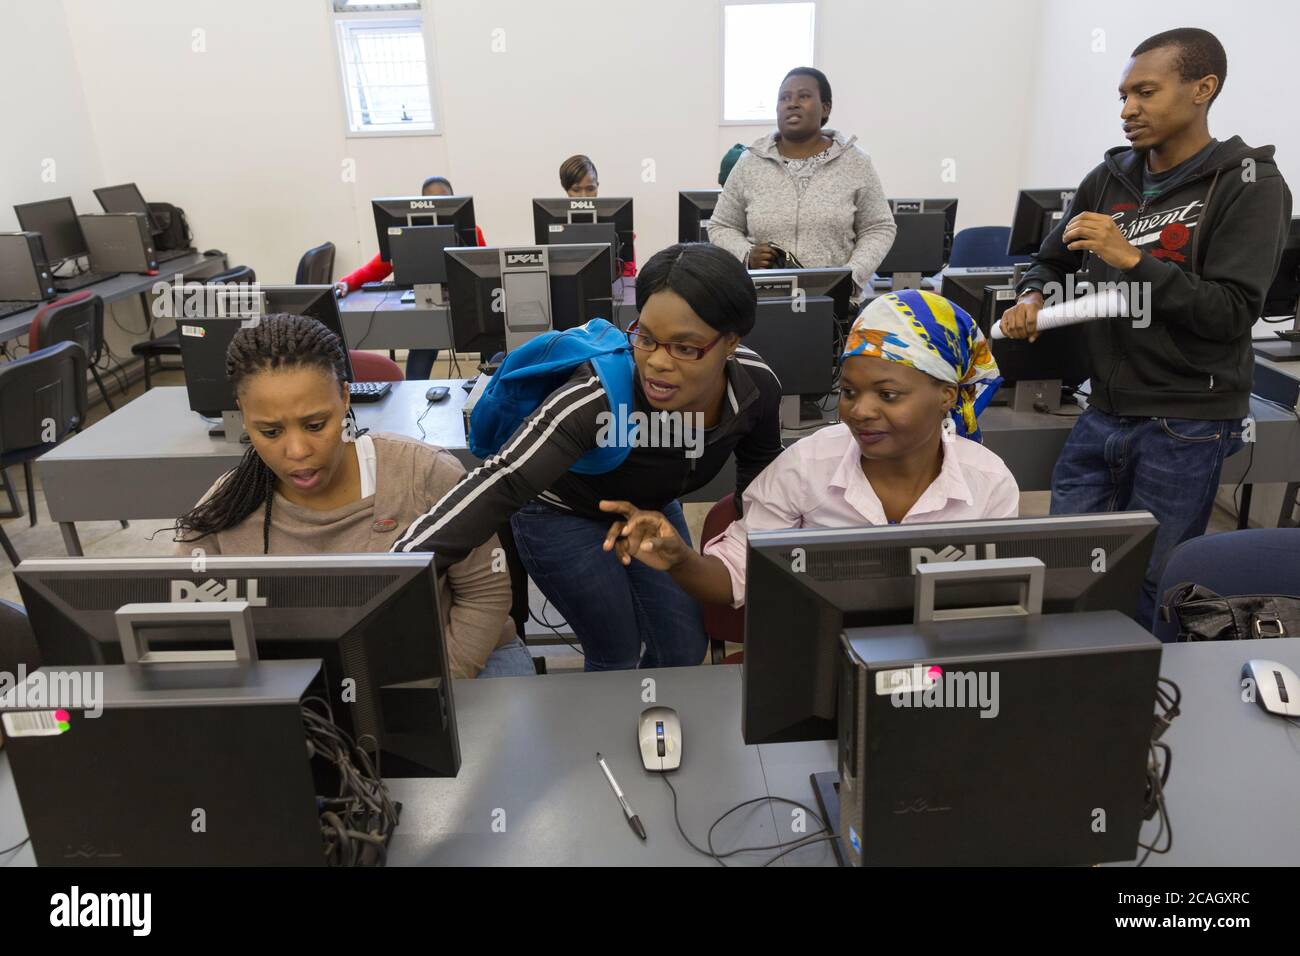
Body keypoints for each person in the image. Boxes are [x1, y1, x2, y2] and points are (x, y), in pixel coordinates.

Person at [999, 27, 1293, 628]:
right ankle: (1061, 696)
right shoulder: (1108, 180)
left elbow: (1232, 312)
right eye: (1124, 94)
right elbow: (1051, 258)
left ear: (1202, 90)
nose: (1128, 109)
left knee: (1151, 588)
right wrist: (1032, 293)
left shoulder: (1252, 186)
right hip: (1101, 409)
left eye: (1146, 92)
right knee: (1062, 571)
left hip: (1186, 423)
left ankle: (1133, 711)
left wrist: (1135, 259)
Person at [393, 243, 784, 671]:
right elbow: (503, 479)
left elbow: (760, 466)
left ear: (729, 342)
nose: (656, 363)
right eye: (646, 337)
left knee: (682, 648)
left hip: (649, 508)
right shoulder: (597, 398)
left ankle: (655, 726)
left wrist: (752, 544)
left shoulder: (755, 389)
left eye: (684, 348)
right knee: (615, 652)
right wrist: (401, 568)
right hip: (559, 513)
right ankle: (606, 736)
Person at [169, 313, 533, 679]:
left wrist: (434, 690)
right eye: (271, 431)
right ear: (243, 417)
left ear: (344, 397)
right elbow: (197, 629)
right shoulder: (222, 511)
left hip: (455, 661)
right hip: (315, 683)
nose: (296, 451)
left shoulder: (422, 474)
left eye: (315, 426)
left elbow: (484, 593)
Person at [601, 289, 1017, 607]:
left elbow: (997, 605)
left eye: (888, 395)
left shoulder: (988, 482)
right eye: (850, 391)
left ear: (946, 396)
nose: (860, 411)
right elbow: (736, 574)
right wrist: (680, 559)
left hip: (935, 669)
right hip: (820, 665)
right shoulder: (809, 464)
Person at [707, 67, 896, 305]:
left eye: (803, 96)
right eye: (784, 98)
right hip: (762, 301)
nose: (792, 104)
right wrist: (746, 254)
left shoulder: (856, 162)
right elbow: (721, 226)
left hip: (834, 304)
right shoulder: (750, 163)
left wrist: (851, 275)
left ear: (825, 107)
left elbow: (879, 227)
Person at [336, 175, 487, 382]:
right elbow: (377, 267)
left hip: (465, 307)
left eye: (443, 199)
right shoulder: (409, 233)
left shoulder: (471, 232)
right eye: (430, 199)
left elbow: (485, 267)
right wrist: (347, 282)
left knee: (490, 344)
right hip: (426, 307)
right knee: (422, 351)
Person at [558, 154, 636, 276]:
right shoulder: (553, 224)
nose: (583, 197)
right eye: (576, 190)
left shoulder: (617, 221)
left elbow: (628, 272)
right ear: (566, 189)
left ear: (597, 187)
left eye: (590, 189)